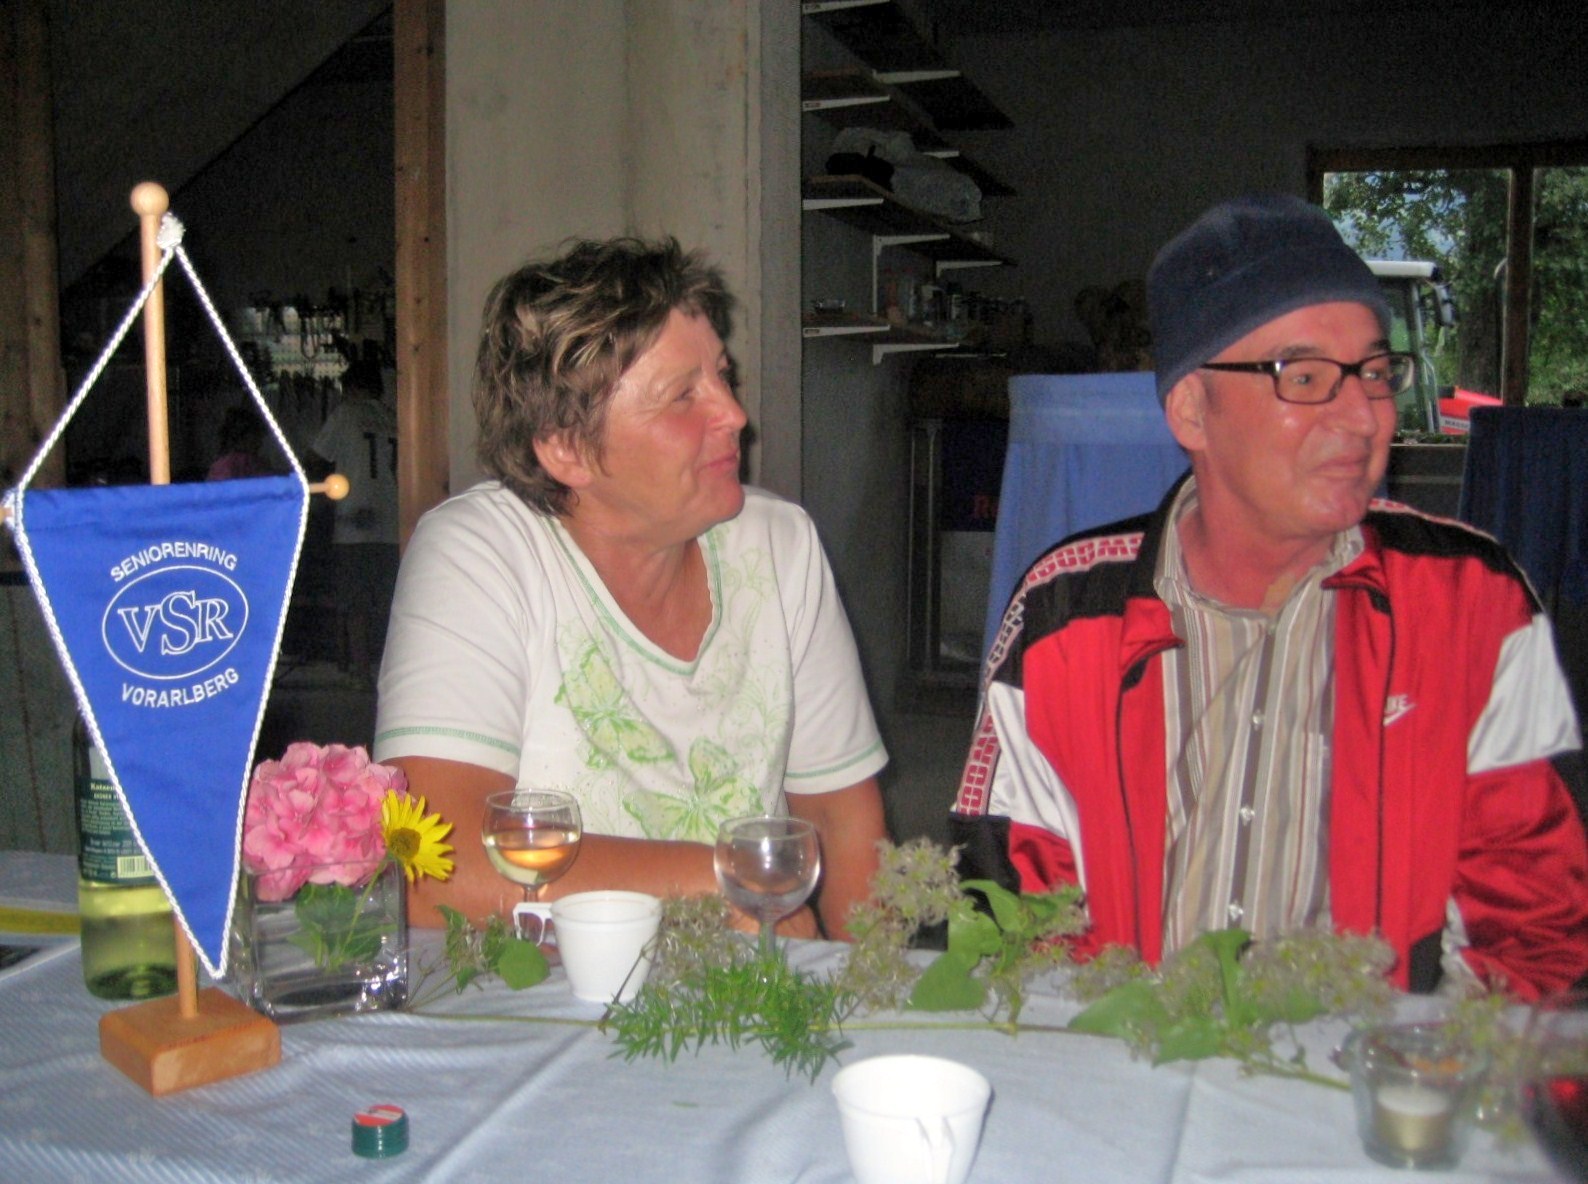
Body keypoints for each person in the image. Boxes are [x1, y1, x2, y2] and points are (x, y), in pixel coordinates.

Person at [950, 194, 1588, 999]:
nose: (1364, 417)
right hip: (1123, 1051)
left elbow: (1539, 932)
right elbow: (1009, 919)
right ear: (1192, 410)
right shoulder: (1066, 617)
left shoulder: (1473, 603)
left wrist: (1410, 1061)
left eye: (1376, 374)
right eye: (1306, 377)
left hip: (1384, 1065)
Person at [373, 237, 888, 937]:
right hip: (549, 990)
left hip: (747, 988)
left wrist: (874, 983)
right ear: (568, 448)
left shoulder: (779, 545)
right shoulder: (480, 554)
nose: (734, 414)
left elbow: (840, 818)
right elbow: (438, 870)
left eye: (723, 376)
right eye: (684, 396)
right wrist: (735, 888)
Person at [311, 358, 400, 685]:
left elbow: (316, 457)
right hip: (394, 521)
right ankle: (392, 673)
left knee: (355, 605)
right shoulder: (395, 418)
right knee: (391, 605)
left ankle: (361, 673)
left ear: (352, 388)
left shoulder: (346, 413)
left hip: (355, 521)